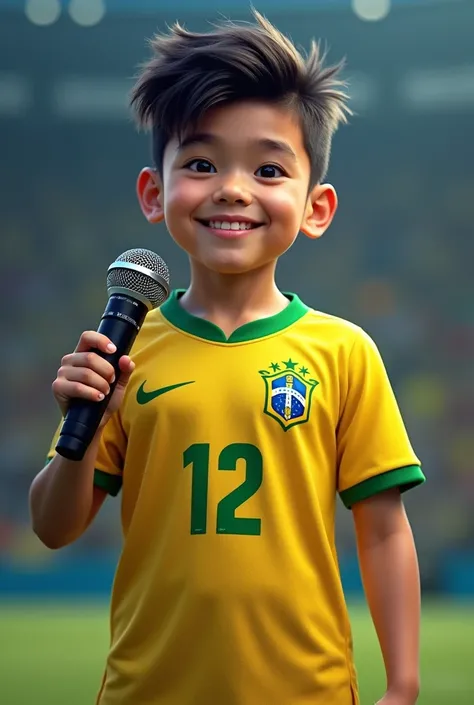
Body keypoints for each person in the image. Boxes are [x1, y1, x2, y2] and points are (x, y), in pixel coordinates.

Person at [29, 11, 425, 705]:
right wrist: (79, 434)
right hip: (146, 690)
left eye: (269, 168)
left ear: (316, 207)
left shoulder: (343, 351)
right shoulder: (128, 350)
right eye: (202, 163)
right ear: (156, 192)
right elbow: (54, 526)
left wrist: (403, 683)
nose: (233, 188)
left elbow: (385, 528)